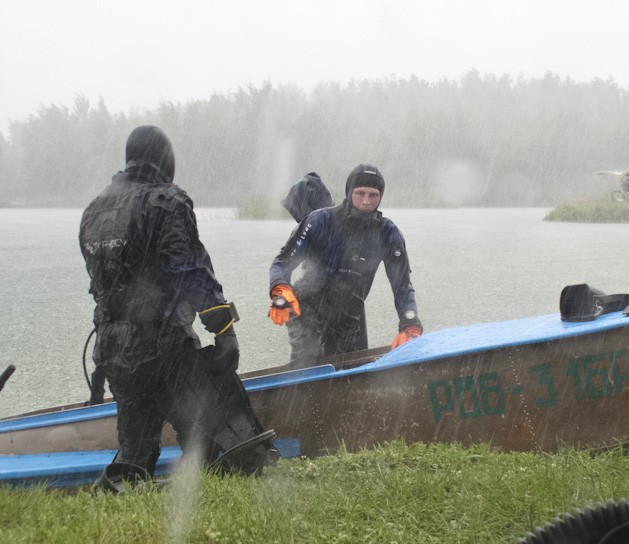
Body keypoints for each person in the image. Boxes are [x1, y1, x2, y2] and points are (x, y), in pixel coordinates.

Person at [79, 125, 273, 484]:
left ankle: (127, 492)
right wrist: (224, 329)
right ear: (165, 160)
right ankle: (235, 480)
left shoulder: (93, 211)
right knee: (223, 435)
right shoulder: (165, 201)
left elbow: (102, 284)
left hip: (112, 349)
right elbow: (189, 271)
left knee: (136, 451)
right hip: (162, 345)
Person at [268, 164, 422, 367]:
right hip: (308, 305)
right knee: (307, 360)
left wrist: (409, 323)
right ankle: (297, 392)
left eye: (373, 195)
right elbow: (282, 263)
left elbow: (402, 285)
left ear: (380, 196)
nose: (366, 201)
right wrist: (281, 288)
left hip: (351, 312)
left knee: (354, 369)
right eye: (360, 193)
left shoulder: (388, 233)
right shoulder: (320, 221)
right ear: (349, 193)